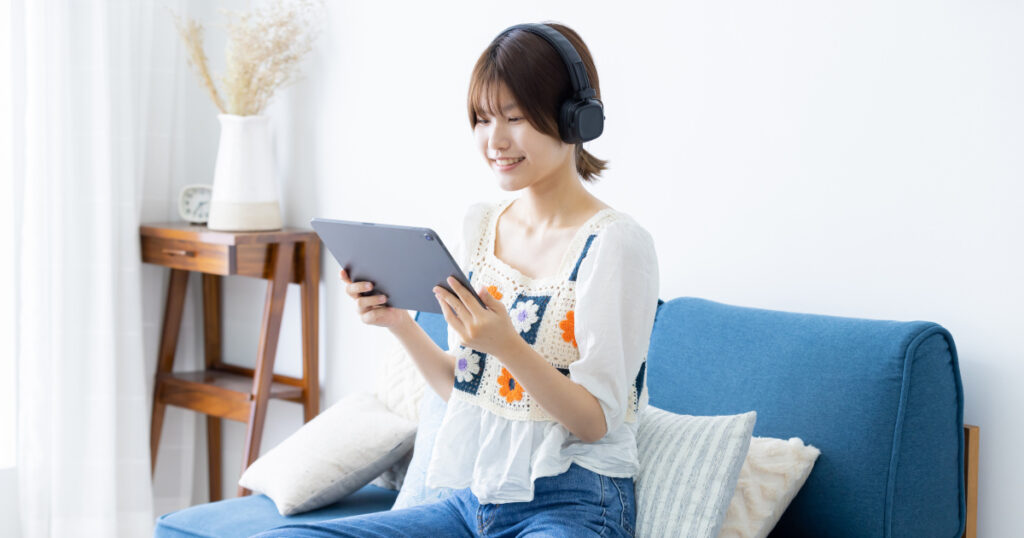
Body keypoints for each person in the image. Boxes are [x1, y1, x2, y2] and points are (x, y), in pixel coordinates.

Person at [257, 21, 658, 537]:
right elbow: (466, 386)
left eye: (514, 117)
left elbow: (595, 420)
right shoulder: (481, 226)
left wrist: (509, 347)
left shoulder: (615, 245)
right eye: (483, 119)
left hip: (575, 504)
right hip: (474, 501)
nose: (495, 140)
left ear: (574, 119)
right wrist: (400, 323)